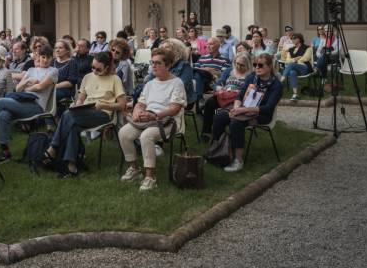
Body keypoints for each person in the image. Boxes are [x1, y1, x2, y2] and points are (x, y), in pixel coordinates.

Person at [45, 51, 126, 177]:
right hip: (84, 111)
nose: (94, 71)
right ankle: (71, 165)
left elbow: (122, 105)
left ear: (107, 67)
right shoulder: (88, 77)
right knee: (72, 125)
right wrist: (77, 103)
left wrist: (104, 105)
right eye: (92, 67)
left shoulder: (115, 79)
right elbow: (81, 97)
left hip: (103, 113)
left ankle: (53, 148)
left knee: (67, 114)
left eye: (98, 69)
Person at [118, 47, 186, 191]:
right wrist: (137, 111)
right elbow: (141, 102)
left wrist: (154, 115)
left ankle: (150, 177)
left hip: (168, 121)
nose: (153, 66)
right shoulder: (150, 83)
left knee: (146, 136)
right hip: (148, 118)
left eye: (157, 63)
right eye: (152, 62)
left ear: (168, 65)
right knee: (123, 133)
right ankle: (134, 168)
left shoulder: (177, 83)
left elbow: (175, 109)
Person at [211, 53, 282, 172]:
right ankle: (215, 152)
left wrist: (242, 110)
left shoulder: (276, 85)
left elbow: (268, 108)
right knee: (220, 116)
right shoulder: (252, 77)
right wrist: (236, 107)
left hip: (261, 114)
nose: (257, 67)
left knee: (235, 123)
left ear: (269, 67)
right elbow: (240, 95)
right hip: (243, 108)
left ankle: (238, 160)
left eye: (260, 65)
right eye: (255, 65)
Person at [0, 47, 57, 162]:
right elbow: (17, 88)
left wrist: (28, 87)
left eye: (48, 57)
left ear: (52, 58)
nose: (45, 60)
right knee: (3, 114)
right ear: (39, 57)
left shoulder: (53, 71)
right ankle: (5, 151)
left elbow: (40, 87)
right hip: (22, 102)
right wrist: (27, 81)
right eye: (43, 57)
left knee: (0, 102)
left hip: (37, 106)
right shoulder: (31, 70)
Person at [201, 52, 252, 138]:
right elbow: (219, 82)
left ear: (248, 65)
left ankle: (225, 136)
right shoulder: (229, 71)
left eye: (242, 65)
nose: (238, 67)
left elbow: (249, 92)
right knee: (210, 103)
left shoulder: (250, 76)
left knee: (223, 115)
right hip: (224, 96)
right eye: (237, 63)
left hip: (238, 100)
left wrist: (237, 92)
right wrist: (219, 88)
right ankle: (206, 132)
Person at [192, 38, 230, 103]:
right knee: (198, 74)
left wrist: (212, 72)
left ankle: (199, 98)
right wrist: (206, 69)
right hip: (201, 82)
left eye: (211, 44)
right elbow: (195, 69)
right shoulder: (202, 58)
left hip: (214, 82)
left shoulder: (225, 60)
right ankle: (199, 98)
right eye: (207, 44)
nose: (208, 46)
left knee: (199, 74)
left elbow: (224, 75)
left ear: (218, 46)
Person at [280, 33, 313, 101]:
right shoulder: (291, 49)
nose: (292, 40)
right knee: (292, 72)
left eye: (294, 38)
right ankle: (295, 94)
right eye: (291, 38)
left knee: (291, 65)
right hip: (295, 68)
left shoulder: (308, 48)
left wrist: (293, 61)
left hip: (305, 68)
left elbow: (305, 58)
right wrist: (295, 59)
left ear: (299, 39)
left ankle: (280, 81)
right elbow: (287, 60)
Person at [52, 39, 80, 103]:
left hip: (65, 90)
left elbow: (70, 83)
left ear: (67, 50)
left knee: (51, 94)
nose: (57, 50)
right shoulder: (52, 61)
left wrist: (54, 87)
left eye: (60, 48)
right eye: (56, 48)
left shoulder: (72, 62)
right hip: (51, 88)